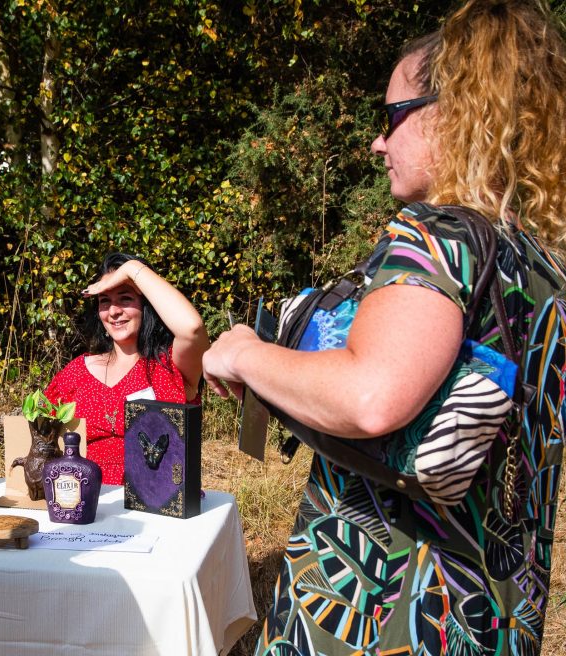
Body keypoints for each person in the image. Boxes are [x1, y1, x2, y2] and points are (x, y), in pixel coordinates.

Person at [203, 1, 566, 653]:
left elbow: (371, 395)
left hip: (385, 616)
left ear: (454, 114)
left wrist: (243, 353)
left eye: (393, 116)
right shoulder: (544, 267)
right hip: (494, 617)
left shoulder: (438, 236)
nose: (378, 142)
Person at [45, 252, 209, 485]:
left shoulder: (170, 366)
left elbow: (192, 329)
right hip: (85, 499)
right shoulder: (76, 372)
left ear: (146, 305)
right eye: (104, 301)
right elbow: (40, 435)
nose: (114, 311)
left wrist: (132, 269)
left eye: (125, 299)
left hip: (153, 499)